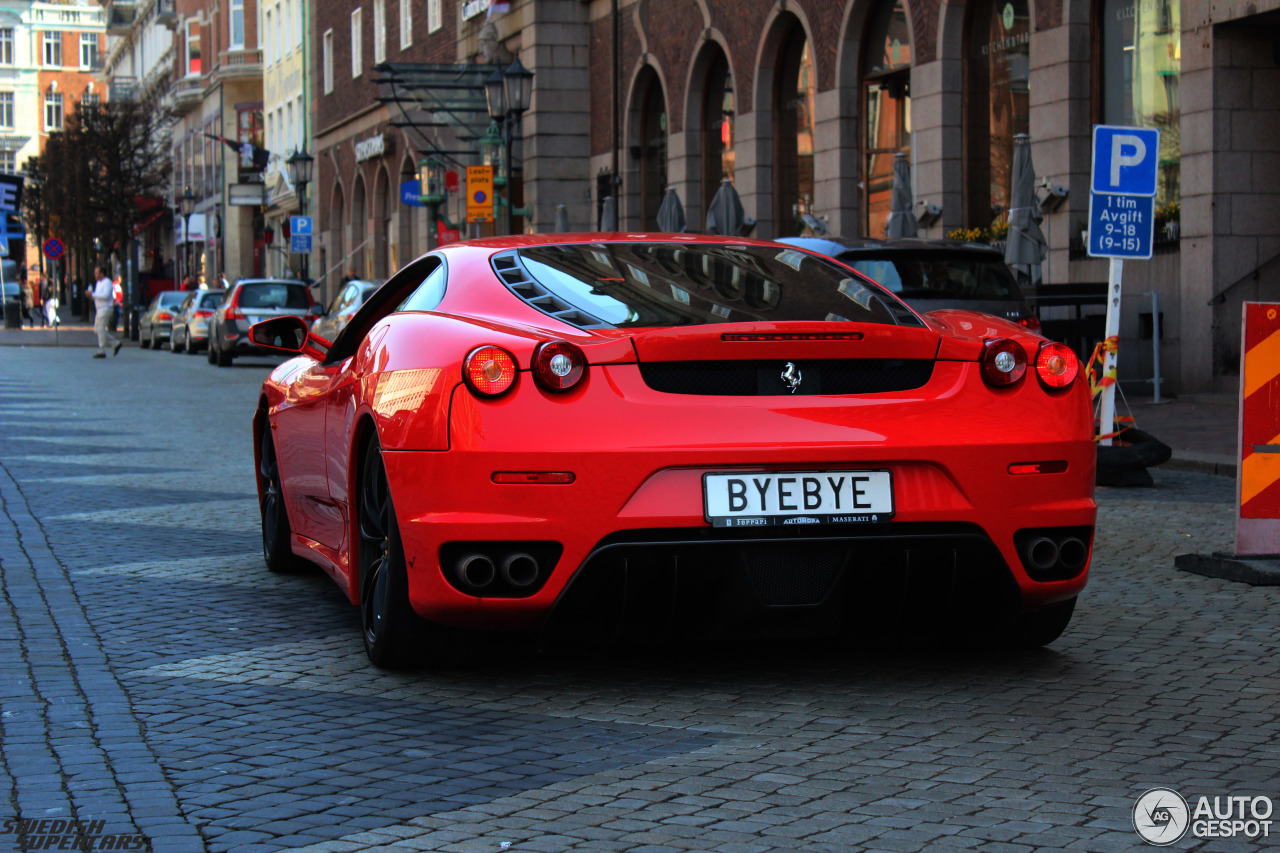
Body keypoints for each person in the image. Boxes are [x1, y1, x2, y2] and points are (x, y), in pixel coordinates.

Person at [89, 266, 122, 358]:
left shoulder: (107, 282)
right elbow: (97, 296)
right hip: (99, 309)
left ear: (102, 274)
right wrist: (91, 296)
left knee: (100, 329)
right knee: (97, 330)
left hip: (105, 309)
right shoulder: (98, 283)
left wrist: (93, 294)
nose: (95, 275)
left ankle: (101, 350)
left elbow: (106, 295)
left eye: (96, 273)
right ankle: (116, 343)